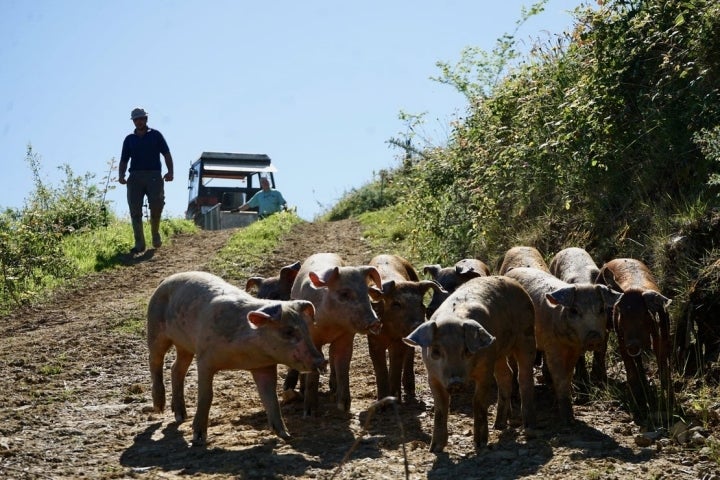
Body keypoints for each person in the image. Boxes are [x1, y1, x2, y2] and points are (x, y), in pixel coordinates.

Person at [118, 107, 174, 254]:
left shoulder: (156, 135)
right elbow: (124, 160)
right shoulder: (129, 139)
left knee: (157, 204)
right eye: (136, 119)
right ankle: (139, 244)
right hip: (135, 177)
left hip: (154, 175)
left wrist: (170, 172)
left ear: (146, 119)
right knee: (135, 210)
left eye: (141, 118)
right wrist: (121, 175)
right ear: (133, 121)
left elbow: (166, 154)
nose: (139, 121)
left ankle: (155, 233)